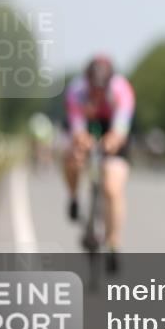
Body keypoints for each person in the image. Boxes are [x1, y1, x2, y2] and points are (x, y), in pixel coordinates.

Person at [63, 55, 136, 273]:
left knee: (113, 187)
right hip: (87, 126)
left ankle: (113, 243)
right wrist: (83, 141)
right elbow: (77, 129)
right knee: (72, 158)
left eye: (101, 89)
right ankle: (74, 195)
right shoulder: (76, 92)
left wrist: (111, 143)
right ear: (86, 82)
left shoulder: (121, 90)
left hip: (112, 129)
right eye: (93, 88)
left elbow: (120, 130)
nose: (96, 93)